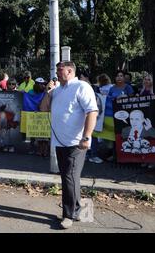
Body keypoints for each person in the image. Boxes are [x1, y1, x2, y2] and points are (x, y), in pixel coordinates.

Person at [50, 61, 98, 229]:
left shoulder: (81, 87)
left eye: (60, 69)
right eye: (56, 69)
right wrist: (48, 92)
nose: (56, 73)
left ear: (70, 71)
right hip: (60, 141)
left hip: (76, 142)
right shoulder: (56, 90)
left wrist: (86, 137)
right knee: (69, 177)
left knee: (69, 177)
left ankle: (68, 215)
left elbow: (92, 111)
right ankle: (77, 210)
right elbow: (42, 108)